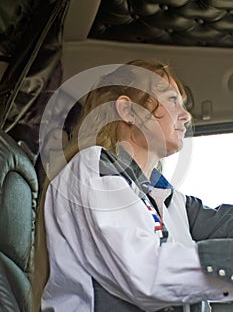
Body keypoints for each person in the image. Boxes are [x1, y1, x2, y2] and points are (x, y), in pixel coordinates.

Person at [33, 59, 233, 312]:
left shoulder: (164, 197)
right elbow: (145, 272)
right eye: (172, 100)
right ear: (128, 111)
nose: (186, 116)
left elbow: (222, 223)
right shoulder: (93, 167)